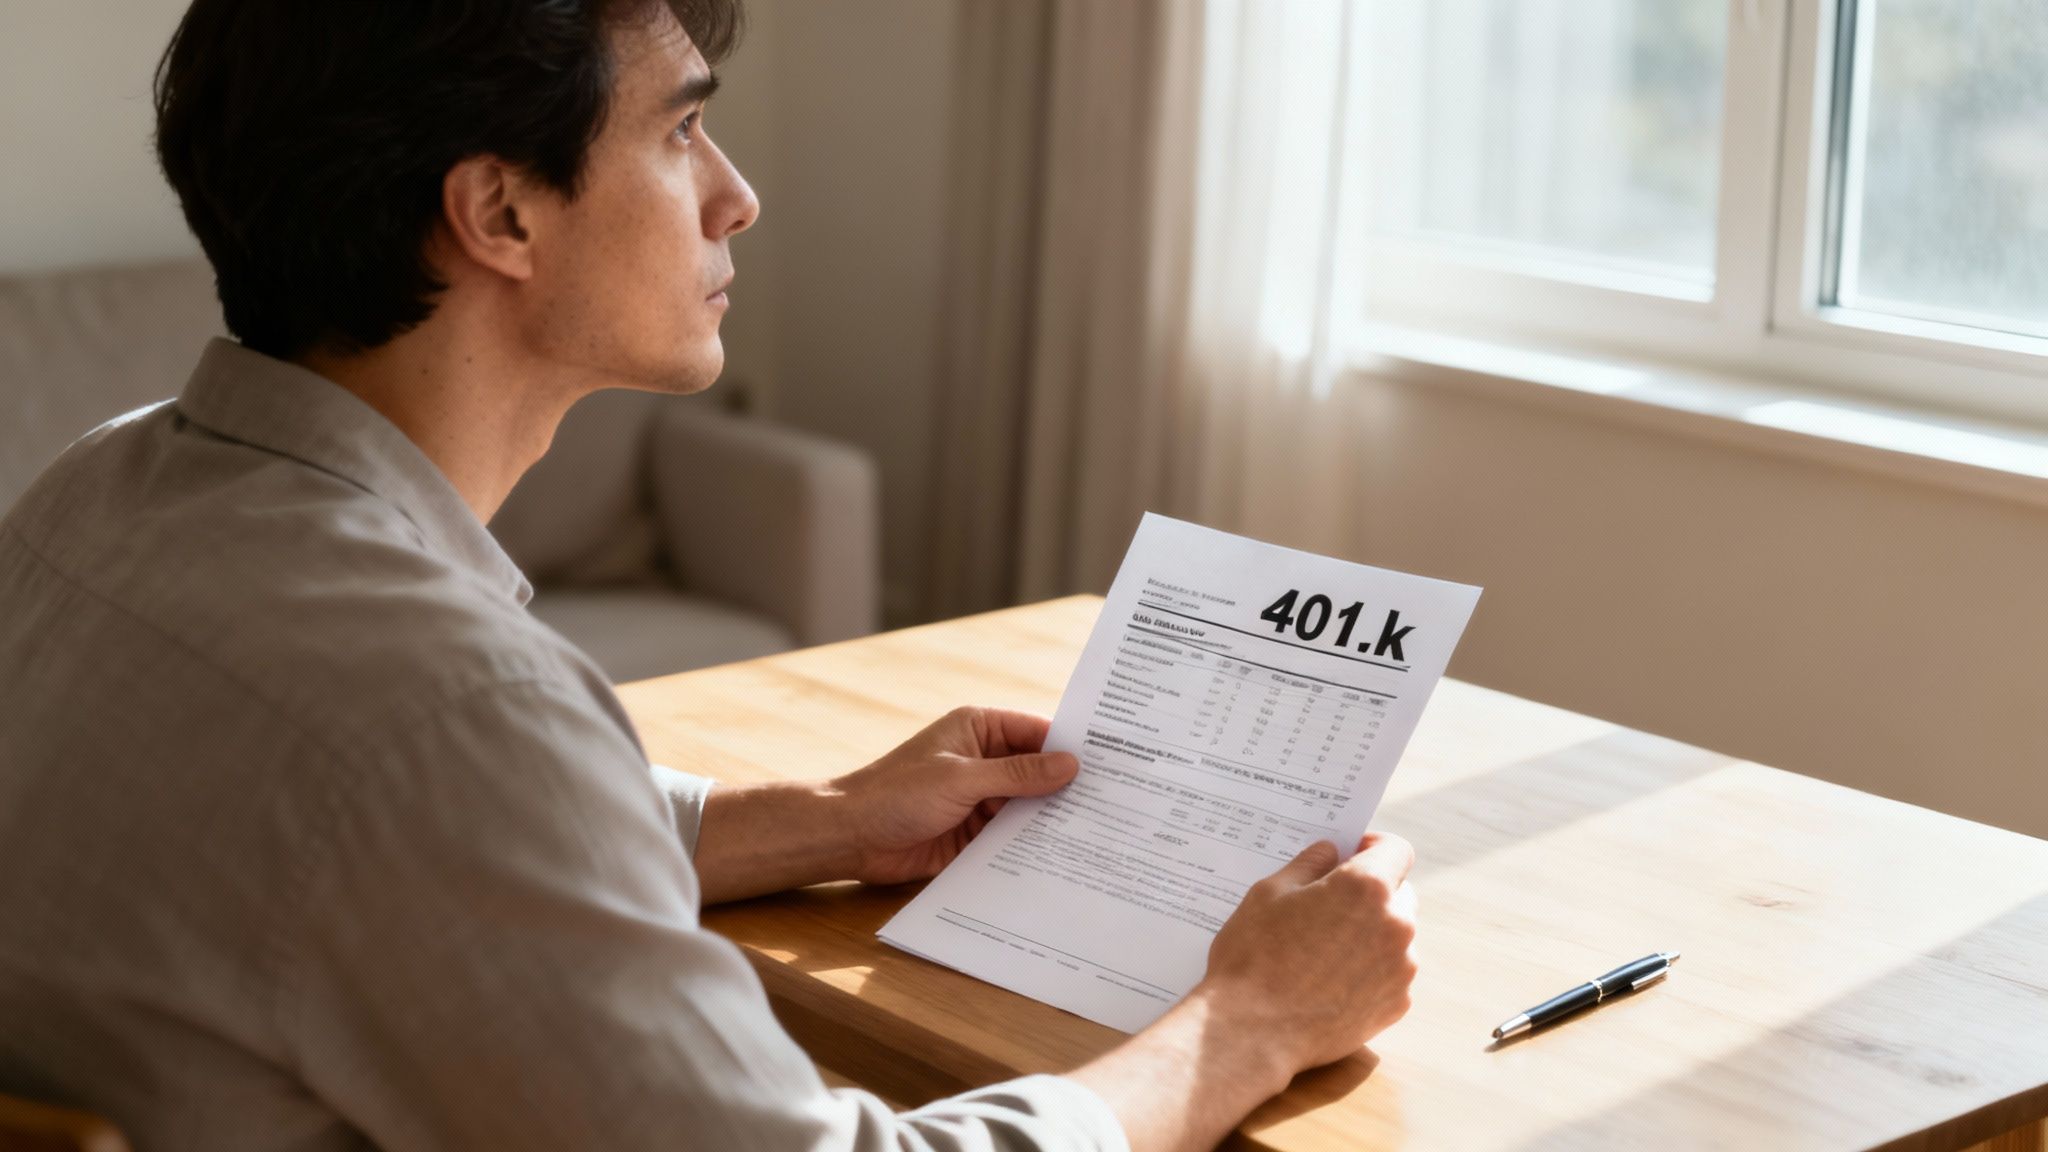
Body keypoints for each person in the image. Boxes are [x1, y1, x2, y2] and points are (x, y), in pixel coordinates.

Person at [0, 2, 1419, 1149]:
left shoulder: (99, 491)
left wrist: (819, 819)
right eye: (682, 133)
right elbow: (437, 794)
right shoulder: (441, 714)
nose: (737, 198)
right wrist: (1246, 1025)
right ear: (500, 213)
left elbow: (395, 849)